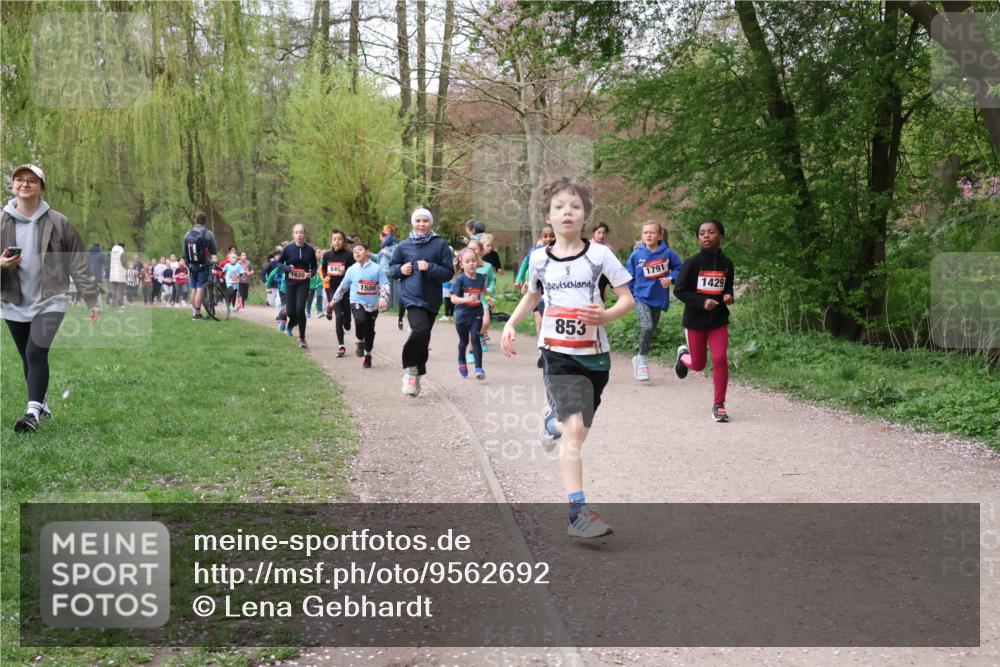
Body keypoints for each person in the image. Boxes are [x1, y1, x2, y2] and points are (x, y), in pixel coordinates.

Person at [500, 177, 633, 539]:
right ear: (548, 215)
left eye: (574, 206)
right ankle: (577, 513)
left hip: (595, 356)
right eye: (559, 207)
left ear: (585, 215)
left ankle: (549, 425)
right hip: (556, 353)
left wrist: (605, 316)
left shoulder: (600, 255)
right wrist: (511, 323)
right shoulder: (539, 258)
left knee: (576, 432)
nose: (567, 212)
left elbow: (627, 299)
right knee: (574, 430)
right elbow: (532, 296)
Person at [1, 164, 101, 432]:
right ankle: (41, 403)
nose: (24, 184)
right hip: (13, 299)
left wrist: (91, 298)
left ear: (41, 187)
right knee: (27, 356)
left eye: (31, 181)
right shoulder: (2, 220)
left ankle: (32, 413)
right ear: (13, 186)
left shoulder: (59, 222)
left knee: (36, 351)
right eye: (19, 180)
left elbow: (78, 262)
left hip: (51, 299)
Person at [672, 219, 735, 423]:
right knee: (698, 365)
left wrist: (728, 296)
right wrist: (702, 302)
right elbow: (679, 291)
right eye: (702, 233)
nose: (706, 236)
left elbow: (728, 288)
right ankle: (683, 356)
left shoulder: (727, 264)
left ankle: (719, 405)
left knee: (719, 359)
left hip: (718, 320)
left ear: (721, 237)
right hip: (695, 321)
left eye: (711, 232)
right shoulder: (692, 263)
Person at [387, 207, 454, 397]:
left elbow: (448, 273)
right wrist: (401, 270)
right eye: (418, 221)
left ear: (431, 223)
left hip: (431, 298)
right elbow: (391, 269)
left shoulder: (440, 245)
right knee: (419, 330)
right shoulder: (403, 245)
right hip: (410, 296)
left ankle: (416, 374)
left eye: (425, 221)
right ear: (412, 223)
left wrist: (430, 267)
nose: (421, 224)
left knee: (423, 336)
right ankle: (411, 371)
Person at [625, 221, 683, 382]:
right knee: (647, 325)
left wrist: (671, 278)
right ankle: (642, 359)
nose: (648, 235)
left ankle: (639, 358)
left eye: (652, 232)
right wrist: (627, 296)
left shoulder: (668, 253)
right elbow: (628, 276)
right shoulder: (636, 255)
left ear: (660, 235)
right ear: (642, 236)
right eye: (645, 233)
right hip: (640, 297)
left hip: (658, 298)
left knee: (650, 330)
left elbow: (680, 268)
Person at [331, 241, 389, 369]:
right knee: (360, 319)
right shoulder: (352, 270)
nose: (356, 252)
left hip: (372, 305)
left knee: (370, 331)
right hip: (356, 301)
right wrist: (334, 299)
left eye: (360, 249)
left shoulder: (377, 268)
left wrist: (383, 298)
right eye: (354, 250)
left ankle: (367, 355)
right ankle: (360, 340)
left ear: (368, 252)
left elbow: (385, 284)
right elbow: (343, 286)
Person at [451, 247, 489, 379]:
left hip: (476, 313)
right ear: (462, 264)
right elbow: (453, 299)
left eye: (473, 260)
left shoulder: (481, 278)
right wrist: (465, 299)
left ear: (478, 262)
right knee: (464, 341)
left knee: (475, 337)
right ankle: (461, 360)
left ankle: (479, 368)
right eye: (467, 261)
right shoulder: (460, 279)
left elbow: (484, 291)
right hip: (462, 315)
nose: (471, 263)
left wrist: (489, 300)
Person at [278, 223, 318, 349]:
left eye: (301, 232)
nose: (299, 235)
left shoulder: (310, 250)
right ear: (293, 234)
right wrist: (286, 268)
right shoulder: (288, 248)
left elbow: (314, 266)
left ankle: (302, 338)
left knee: (300, 309)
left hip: (303, 283)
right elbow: (278, 263)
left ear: (305, 234)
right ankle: (290, 325)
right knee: (291, 311)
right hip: (290, 282)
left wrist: (311, 273)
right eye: (296, 232)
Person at [322, 229, 355, 357]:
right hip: (333, 290)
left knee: (347, 320)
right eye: (335, 239)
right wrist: (325, 276)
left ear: (344, 241)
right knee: (339, 316)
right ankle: (341, 346)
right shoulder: (327, 255)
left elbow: (354, 270)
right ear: (332, 241)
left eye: (340, 239)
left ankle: (347, 322)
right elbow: (324, 268)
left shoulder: (349, 256)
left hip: (346, 290)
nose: (337, 241)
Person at [183, 211, 218, 319]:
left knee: (193, 288)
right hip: (203, 264)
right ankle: (198, 314)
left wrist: (188, 264)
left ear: (195, 220)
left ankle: (194, 312)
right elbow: (214, 250)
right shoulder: (208, 234)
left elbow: (184, 253)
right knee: (200, 288)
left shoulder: (187, 234)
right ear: (205, 221)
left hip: (191, 265)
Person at [377, 224, 403, 330]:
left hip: (390, 270)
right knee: (384, 289)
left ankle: (391, 307)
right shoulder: (384, 245)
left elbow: (394, 257)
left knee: (391, 289)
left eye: (386, 232)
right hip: (382, 271)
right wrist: (369, 255)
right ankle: (385, 306)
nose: (385, 234)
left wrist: (386, 252)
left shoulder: (395, 245)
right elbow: (378, 257)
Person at [108, 241, 127, 307]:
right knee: (120, 290)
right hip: (120, 274)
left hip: (113, 273)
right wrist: (126, 266)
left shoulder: (112, 252)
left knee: (114, 290)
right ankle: (120, 303)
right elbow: (124, 263)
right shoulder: (122, 252)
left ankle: (113, 303)